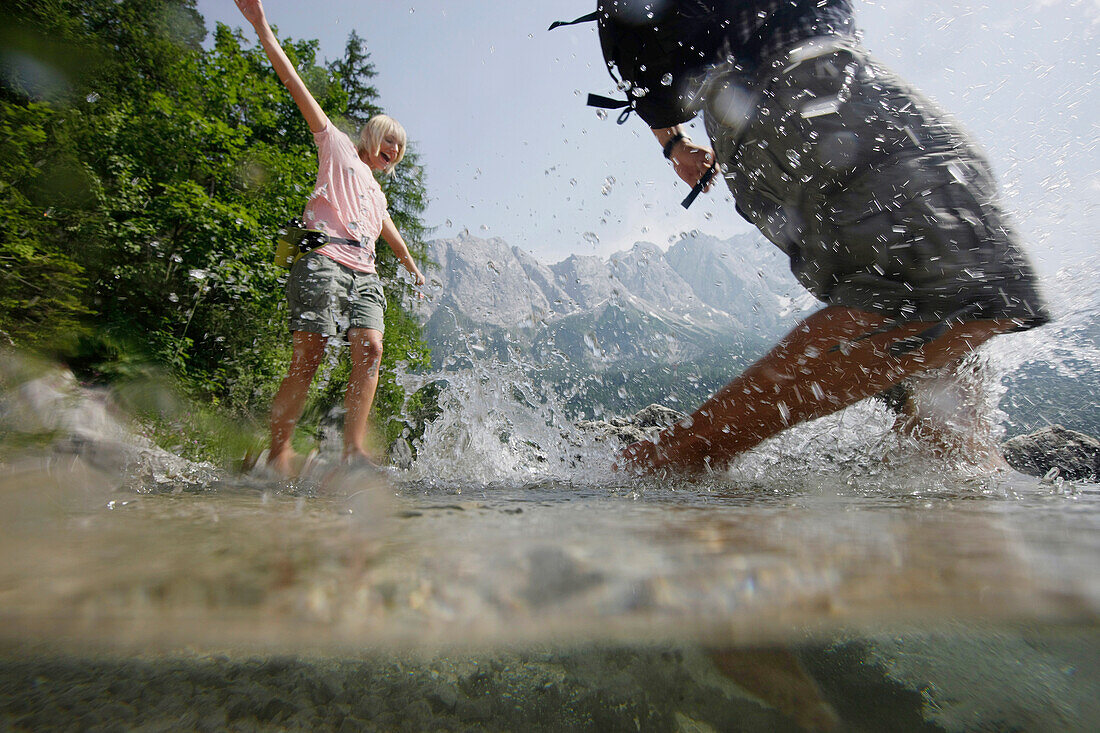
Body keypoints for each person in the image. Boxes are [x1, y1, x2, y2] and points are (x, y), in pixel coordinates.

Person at [563, 0, 1050, 474]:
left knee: (936, 346)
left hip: (760, 133)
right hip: (814, 94)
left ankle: (956, 503)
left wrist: (671, 140)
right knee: (962, 290)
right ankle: (679, 455)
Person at [234, 0, 426, 476]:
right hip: (322, 258)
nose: (394, 150)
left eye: (400, 149)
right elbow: (294, 83)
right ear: (371, 134)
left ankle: (354, 451)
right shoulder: (337, 145)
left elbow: (386, 228)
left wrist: (408, 261)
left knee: (372, 347)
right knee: (312, 351)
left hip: (366, 273)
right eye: (389, 140)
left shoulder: (376, 191)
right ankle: (277, 453)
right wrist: (262, 26)